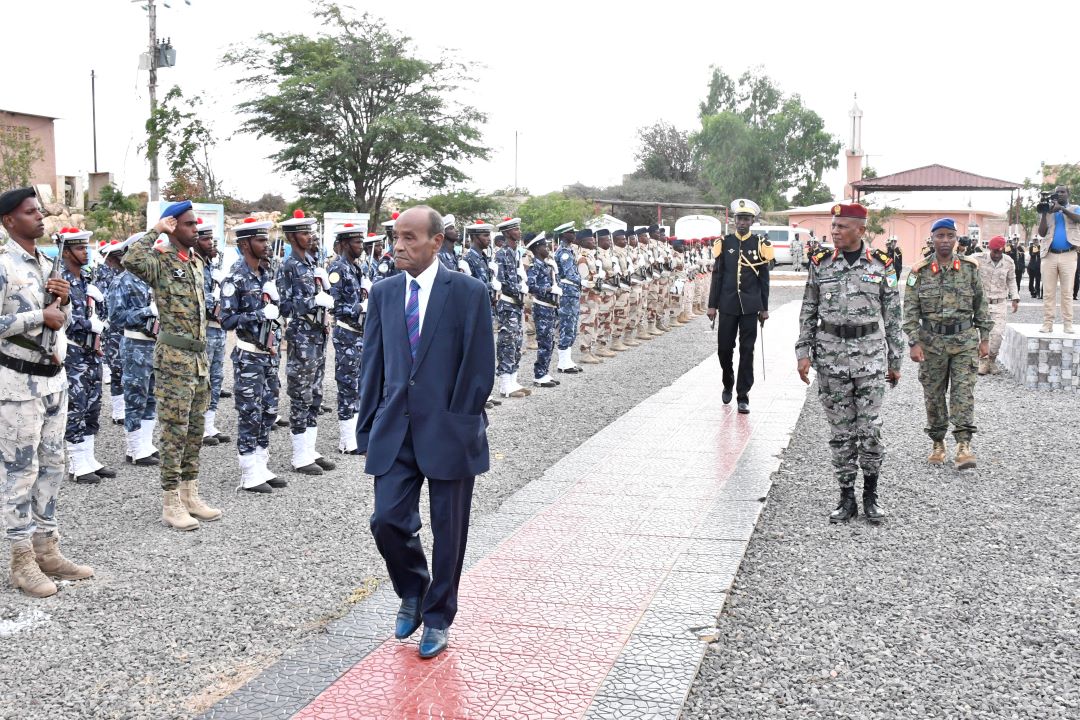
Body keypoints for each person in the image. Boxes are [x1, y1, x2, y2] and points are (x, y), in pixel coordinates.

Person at [357, 206, 495, 659]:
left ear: (437, 242)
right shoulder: (383, 292)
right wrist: (367, 425)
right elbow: (372, 365)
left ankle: (437, 617)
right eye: (396, 237)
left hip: (449, 429)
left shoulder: (468, 292)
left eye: (410, 238)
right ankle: (413, 588)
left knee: (449, 530)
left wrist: (461, 420)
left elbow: (478, 368)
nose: (398, 246)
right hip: (396, 428)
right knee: (386, 520)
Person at [0, 187, 93, 598]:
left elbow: (58, 324)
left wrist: (65, 304)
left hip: (53, 380)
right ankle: (21, 560)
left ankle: (47, 548)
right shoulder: (4, 264)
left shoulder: (45, 262)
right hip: (17, 385)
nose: (40, 217)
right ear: (8, 221)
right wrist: (41, 314)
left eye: (40, 211)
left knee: (53, 466)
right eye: (29, 212)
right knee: (20, 472)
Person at [796, 203, 902, 523]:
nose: (835, 231)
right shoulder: (821, 263)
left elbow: (893, 317)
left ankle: (871, 495)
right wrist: (803, 352)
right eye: (834, 225)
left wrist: (895, 358)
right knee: (841, 432)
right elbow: (808, 310)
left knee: (869, 429)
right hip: (830, 358)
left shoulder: (883, 265)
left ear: (861, 230)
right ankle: (846, 498)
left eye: (842, 226)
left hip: (870, 358)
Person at [124, 200, 222, 530]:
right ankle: (170, 501)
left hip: (198, 357)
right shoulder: (161, 260)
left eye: (197, 224)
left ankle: (190, 493)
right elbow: (130, 259)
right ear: (173, 225)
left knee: (194, 431)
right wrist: (155, 231)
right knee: (174, 432)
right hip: (174, 360)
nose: (197, 229)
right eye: (190, 224)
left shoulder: (195, 261)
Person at [902, 217, 992, 471]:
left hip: (964, 341)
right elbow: (909, 312)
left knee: (963, 394)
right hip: (931, 344)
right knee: (933, 395)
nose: (944, 241)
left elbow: (981, 306)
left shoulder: (969, 268)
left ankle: (964, 446)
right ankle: (938, 443)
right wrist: (913, 342)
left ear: (956, 239)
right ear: (932, 239)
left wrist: (984, 338)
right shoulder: (918, 272)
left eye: (949, 236)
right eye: (939, 236)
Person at [220, 218, 282, 493]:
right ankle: (248, 473)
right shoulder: (235, 278)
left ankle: (261, 464)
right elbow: (226, 320)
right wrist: (258, 314)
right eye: (260, 240)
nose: (266, 245)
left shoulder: (264, 276)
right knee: (250, 412)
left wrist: (275, 304)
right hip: (248, 356)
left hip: (268, 355)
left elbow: (276, 312)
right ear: (245, 244)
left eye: (266, 240)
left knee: (268, 410)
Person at [277, 209, 337, 475]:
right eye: (303, 233)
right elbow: (283, 306)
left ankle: (309, 448)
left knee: (315, 393)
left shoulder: (312, 262)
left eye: (310, 232)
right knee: (301, 393)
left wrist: (326, 291)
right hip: (301, 336)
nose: (309, 236)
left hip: (317, 335)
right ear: (291, 237)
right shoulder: (288, 266)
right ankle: (299, 456)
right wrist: (314, 301)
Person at [60, 227, 115, 484]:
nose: (86, 252)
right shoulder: (60, 281)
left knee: (93, 405)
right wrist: (85, 323)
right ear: (67, 251)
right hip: (72, 351)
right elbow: (60, 318)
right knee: (76, 406)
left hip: (91, 351)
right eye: (80, 248)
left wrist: (99, 313)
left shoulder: (85, 280)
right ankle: (76, 463)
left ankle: (89, 457)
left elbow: (100, 314)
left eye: (87, 247)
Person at [707, 198, 772, 414]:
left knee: (747, 350)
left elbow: (764, 278)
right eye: (739, 218)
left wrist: (764, 307)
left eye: (746, 219)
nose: (742, 222)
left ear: (752, 221)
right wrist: (712, 305)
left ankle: (743, 395)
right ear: (734, 220)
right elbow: (717, 276)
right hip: (726, 305)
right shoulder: (724, 243)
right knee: (724, 349)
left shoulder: (760, 245)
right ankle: (728, 380)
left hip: (750, 307)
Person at [109, 233, 160, 467]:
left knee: (151, 396)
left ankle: (146, 443)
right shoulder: (122, 281)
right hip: (135, 344)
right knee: (135, 395)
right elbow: (116, 317)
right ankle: (134, 448)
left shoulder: (154, 278)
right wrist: (146, 312)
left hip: (155, 344)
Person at [327, 223, 370, 453]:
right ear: (344, 244)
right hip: (346, 332)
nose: (361, 246)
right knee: (347, 384)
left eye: (362, 242)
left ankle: (356, 432)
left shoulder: (356, 268)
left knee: (359, 383)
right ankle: (346, 439)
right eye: (356, 242)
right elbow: (334, 305)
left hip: (359, 334)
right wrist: (359, 307)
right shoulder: (338, 269)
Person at [194, 219, 231, 446]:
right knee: (203, 379)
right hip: (205, 330)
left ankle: (209, 424)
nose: (211, 243)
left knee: (216, 377)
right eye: (205, 239)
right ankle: (198, 426)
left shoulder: (210, 267)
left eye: (211, 239)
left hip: (218, 330)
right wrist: (216, 300)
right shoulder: (194, 265)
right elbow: (196, 295)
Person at [493, 217, 531, 398]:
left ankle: (513, 380)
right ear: (507, 233)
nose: (519, 231)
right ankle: (505, 385)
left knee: (517, 342)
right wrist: (519, 288)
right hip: (508, 303)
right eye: (516, 229)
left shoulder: (515, 253)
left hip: (516, 304)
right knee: (507, 342)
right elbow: (502, 282)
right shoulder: (502, 254)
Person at [972, 236, 1019, 374]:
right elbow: (963, 264)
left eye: (999, 252)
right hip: (981, 303)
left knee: (997, 334)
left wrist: (1015, 298)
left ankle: (992, 360)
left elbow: (1011, 280)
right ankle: (982, 361)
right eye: (994, 252)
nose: (997, 255)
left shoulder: (1008, 262)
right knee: (982, 334)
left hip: (999, 303)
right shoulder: (978, 258)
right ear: (990, 249)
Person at [1036, 186, 1080, 332]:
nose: (1060, 194)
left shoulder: (1075, 208)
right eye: (1057, 192)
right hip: (1049, 255)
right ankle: (1048, 323)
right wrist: (1044, 213)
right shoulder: (1048, 210)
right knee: (1048, 292)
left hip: (1069, 254)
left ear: (1068, 194)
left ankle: (1067, 324)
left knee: (1067, 292)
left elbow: (1078, 219)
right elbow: (1042, 233)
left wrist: (1062, 209)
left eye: (1063, 192)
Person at [94, 239, 127, 425]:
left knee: (126, 372)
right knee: (117, 371)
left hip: (127, 331)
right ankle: (118, 411)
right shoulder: (106, 274)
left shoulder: (127, 275)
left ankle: (124, 407)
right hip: (113, 329)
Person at [524, 232, 560, 387]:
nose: (547, 248)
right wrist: (549, 289)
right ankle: (539, 375)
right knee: (544, 341)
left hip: (550, 307)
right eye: (544, 246)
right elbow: (530, 286)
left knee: (550, 342)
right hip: (542, 306)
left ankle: (544, 372)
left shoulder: (546, 264)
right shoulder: (534, 266)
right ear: (537, 248)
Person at [552, 222, 584, 373]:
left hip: (572, 291)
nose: (574, 235)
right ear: (564, 235)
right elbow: (570, 274)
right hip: (567, 291)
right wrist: (582, 280)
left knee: (572, 324)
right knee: (567, 324)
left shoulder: (569, 250)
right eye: (571, 232)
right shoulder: (564, 252)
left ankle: (567, 360)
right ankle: (563, 363)